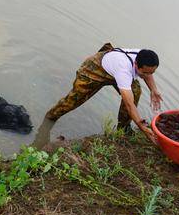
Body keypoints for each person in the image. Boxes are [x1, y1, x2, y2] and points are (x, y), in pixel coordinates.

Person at [32, 42, 162, 148]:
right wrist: (141, 126)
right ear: (136, 65)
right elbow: (129, 104)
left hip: (113, 68)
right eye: (144, 73)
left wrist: (153, 90)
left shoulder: (143, 57)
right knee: (72, 101)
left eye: (152, 72)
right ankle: (49, 119)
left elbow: (147, 73)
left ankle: (124, 129)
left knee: (135, 91)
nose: (148, 75)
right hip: (94, 70)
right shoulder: (124, 71)